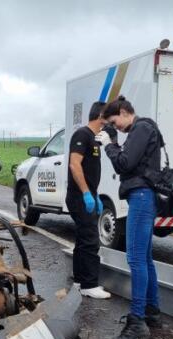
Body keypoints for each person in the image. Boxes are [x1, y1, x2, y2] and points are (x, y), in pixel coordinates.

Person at [102, 95, 162, 339]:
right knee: (145, 259)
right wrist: (116, 143)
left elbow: (124, 164)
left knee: (135, 259)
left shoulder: (141, 128)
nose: (114, 127)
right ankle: (152, 312)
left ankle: (137, 320)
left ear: (125, 112)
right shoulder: (142, 129)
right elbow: (129, 162)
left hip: (141, 197)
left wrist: (109, 145)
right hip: (144, 197)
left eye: (114, 122)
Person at [66, 101, 111, 299]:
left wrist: (95, 194)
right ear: (100, 116)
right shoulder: (82, 134)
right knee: (91, 240)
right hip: (79, 197)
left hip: (88, 195)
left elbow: (90, 172)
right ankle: (89, 285)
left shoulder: (95, 139)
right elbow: (74, 165)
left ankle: (79, 280)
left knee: (83, 239)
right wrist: (85, 193)